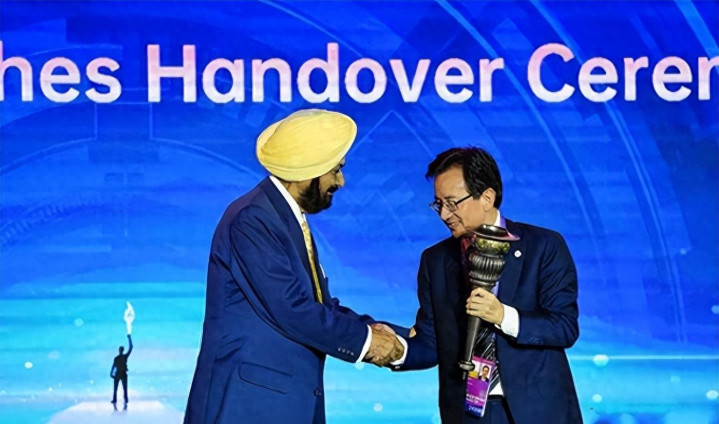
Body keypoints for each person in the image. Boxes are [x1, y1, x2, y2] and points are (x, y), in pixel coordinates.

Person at [184, 109, 406, 424]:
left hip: (283, 405)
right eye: (336, 170)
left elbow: (321, 306)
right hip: (249, 408)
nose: (340, 181)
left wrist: (396, 334)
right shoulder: (253, 219)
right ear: (307, 169)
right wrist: (367, 343)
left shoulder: (282, 217)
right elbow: (292, 310)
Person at [393, 147, 582, 424]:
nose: (444, 214)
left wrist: (503, 316)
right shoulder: (435, 261)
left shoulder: (544, 246)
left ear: (487, 197)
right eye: (438, 204)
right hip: (468, 413)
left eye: (452, 203)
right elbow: (431, 342)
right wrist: (391, 347)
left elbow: (564, 327)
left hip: (539, 411)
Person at [110, 334, 133, 405]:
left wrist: (129, 338)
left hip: (122, 374)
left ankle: (125, 399)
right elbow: (113, 366)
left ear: (121, 350)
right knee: (116, 388)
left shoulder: (123, 357)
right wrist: (111, 373)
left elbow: (131, 347)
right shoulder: (117, 358)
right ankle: (116, 399)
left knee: (124, 388)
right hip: (118, 374)